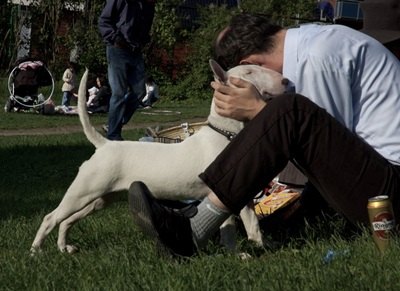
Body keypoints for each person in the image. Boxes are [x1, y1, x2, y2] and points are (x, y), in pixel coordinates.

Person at [128, 1, 400, 258]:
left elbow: (326, 149)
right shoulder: (312, 43)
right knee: (288, 116)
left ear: (248, 67)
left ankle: (193, 228)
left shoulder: (317, 58)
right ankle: (201, 215)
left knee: (290, 111)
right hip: (377, 180)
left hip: (390, 195)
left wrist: (258, 111)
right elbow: (328, 162)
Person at [98, 0, 156, 140]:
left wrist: (144, 40)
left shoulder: (149, 5)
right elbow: (104, 20)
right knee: (118, 92)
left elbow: (146, 27)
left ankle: (114, 124)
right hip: (117, 49)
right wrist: (115, 37)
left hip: (135, 51)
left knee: (140, 92)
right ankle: (113, 135)